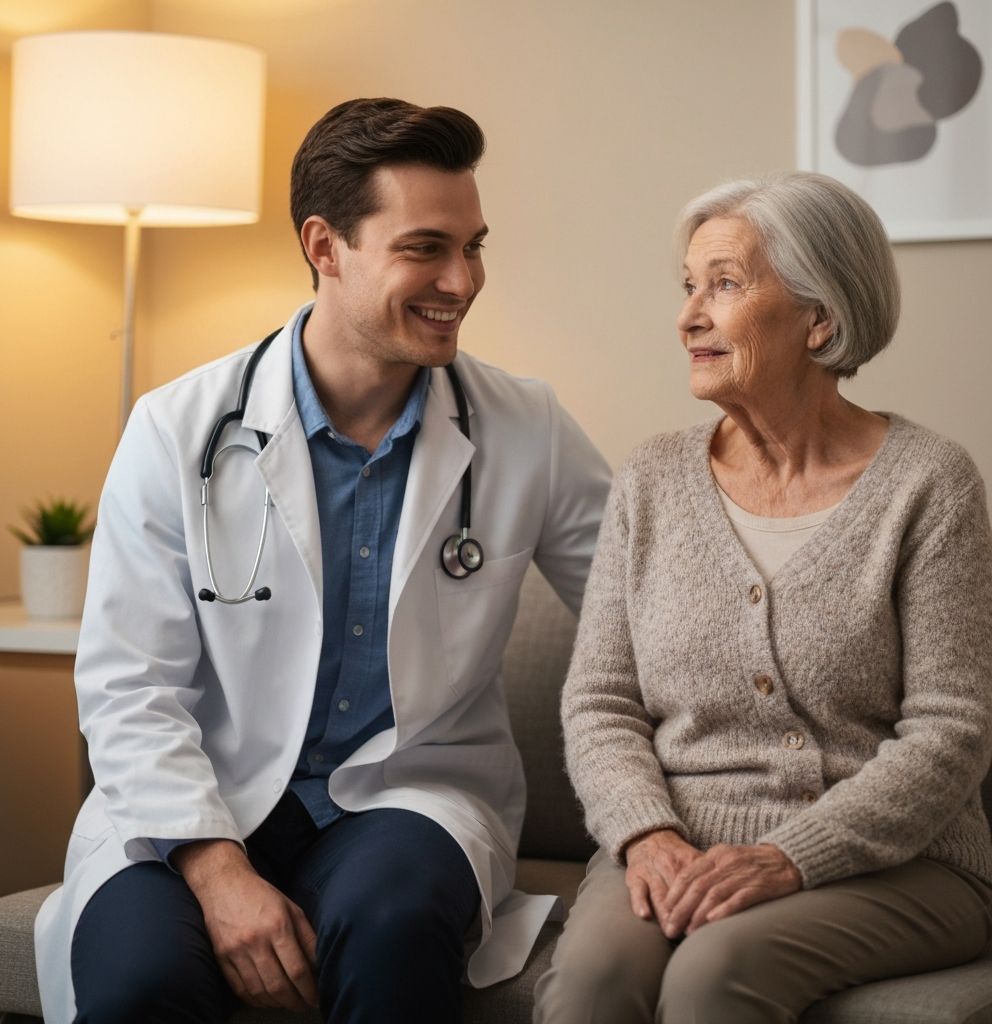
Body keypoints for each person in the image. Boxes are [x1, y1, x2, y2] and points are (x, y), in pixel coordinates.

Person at [35, 97, 610, 1024]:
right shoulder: (177, 429)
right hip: (197, 800)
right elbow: (128, 685)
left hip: (407, 800)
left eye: (474, 247)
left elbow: (644, 614)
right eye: (426, 248)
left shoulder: (525, 426)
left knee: (392, 926)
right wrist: (217, 870)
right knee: (142, 982)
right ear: (324, 245)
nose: (462, 280)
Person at [534, 172, 992, 1023]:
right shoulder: (651, 479)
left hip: (899, 863)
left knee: (713, 974)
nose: (688, 316)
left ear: (819, 319)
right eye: (688, 286)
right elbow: (601, 699)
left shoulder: (930, 483)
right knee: (592, 984)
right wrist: (647, 833)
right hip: (677, 840)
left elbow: (951, 732)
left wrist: (792, 856)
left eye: (724, 284)